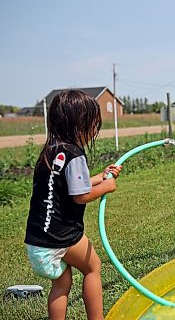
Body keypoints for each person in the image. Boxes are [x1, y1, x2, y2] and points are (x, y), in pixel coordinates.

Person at [24, 90, 122, 320]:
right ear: (80, 125)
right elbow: (81, 195)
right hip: (61, 236)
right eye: (92, 124)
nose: (94, 130)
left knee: (61, 285)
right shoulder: (75, 154)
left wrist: (101, 175)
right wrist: (106, 187)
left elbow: (71, 186)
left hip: (38, 240)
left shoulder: (50, 152)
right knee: (93, 268)